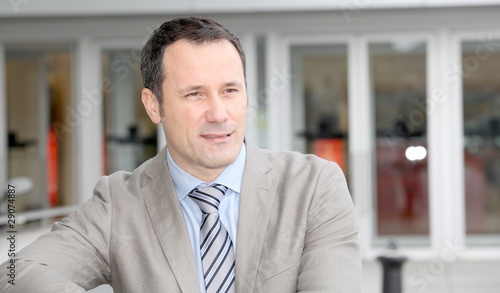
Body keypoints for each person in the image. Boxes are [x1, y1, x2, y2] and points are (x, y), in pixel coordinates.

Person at [1, 17, 361, 292]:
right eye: (195, 94)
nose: (219, 113)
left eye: (230, 90)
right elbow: (16, 274)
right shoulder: (117, 205)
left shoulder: (314, 187)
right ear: (154, 105)